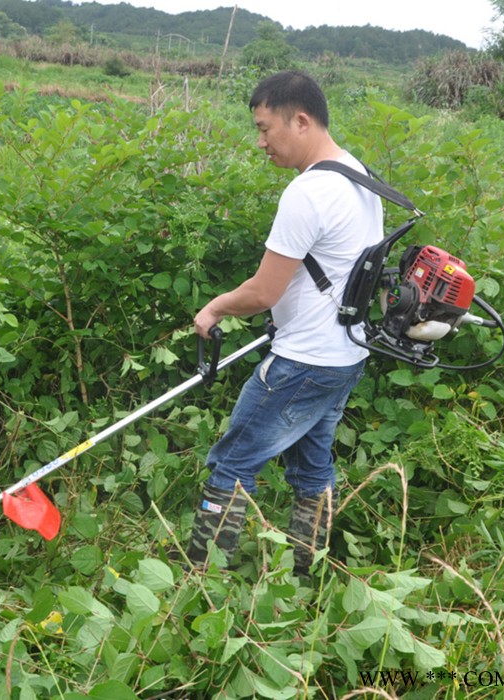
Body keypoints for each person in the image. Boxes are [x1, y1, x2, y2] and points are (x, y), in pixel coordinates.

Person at [185, 70, 384, 576]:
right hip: (345, 356)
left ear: (300, 120)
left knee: (231, 465)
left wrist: (214, 309)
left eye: (265, 128)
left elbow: (263, 291)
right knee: (313, 468)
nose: (260, 142)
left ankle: (202, 582)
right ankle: (304, 573)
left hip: (303, 362)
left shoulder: (308, 192)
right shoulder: (360, 177)